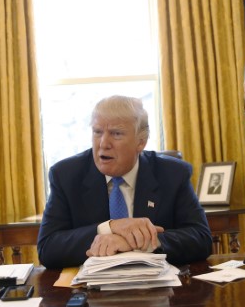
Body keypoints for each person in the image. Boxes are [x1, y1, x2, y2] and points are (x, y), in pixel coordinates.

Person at [37, 95, 212, 269]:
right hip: (90, 290)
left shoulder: (172, 174)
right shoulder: (66, 175)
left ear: (140, 142)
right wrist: (110, 228)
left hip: (157, 288)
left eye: (116, 134)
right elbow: (48, 248)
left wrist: (134, 241)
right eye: (97, 132)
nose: (103, 143)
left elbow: (201, 239)